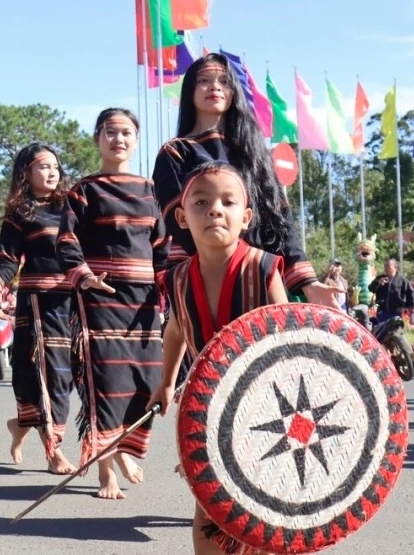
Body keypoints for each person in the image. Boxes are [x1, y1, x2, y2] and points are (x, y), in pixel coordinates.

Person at [148, 161, 288, 555]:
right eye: (202, 201)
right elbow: (175, 330)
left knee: (267, 507)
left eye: (228, 202)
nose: (215, 209)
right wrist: (166, 382)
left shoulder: (263, 268)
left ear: (245, 218)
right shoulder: (176, 278)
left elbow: (292, 337)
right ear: (182, 216)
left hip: (267, 410)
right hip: (206, 409)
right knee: (210, 508)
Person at [152, 54, 334, 307]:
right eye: (204, 80)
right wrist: (227, 262)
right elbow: (178, 222)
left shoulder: (256, 154)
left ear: (234, 91)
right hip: (203, 280)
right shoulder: (176, 153)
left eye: (224, 81)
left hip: (261, 277)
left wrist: (309, 283)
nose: (215, 86)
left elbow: (279, 221)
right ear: (189, 91)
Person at [57, 108, 165, 499]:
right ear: (97, 139)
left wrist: (168, 285)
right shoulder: (83, 191)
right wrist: (85, 277)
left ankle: (123, 446)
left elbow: (163, 248)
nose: (118, 139)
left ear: (135, 140)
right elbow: (66, 242)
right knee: (106, 383)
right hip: (99, 299)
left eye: (126, 133)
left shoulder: (152, 191)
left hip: (144, 303)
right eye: (110, 133)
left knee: (146, 383)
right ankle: (107, 470)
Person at [0, 142, 77, 474]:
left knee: (66, 378)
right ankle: (54, 452)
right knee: (46, 378)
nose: (51, 172)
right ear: (26, 173)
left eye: (55, 166)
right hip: (37, 307)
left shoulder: (71, 207)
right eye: (43, 166)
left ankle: (20, 425)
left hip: (72, 305)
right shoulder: (20, 212)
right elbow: (7, 262)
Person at [368, 257, 412, 325]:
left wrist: (405, 307)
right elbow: (370, 288)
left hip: (395, 312)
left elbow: (411, 294)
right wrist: (378, 283)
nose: (386, 268)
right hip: (382, 312)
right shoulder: (380, 278)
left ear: (395, 267)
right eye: (385, 266)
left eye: (388, 266)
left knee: (394, 332)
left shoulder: (402, 280)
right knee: (381, 332)